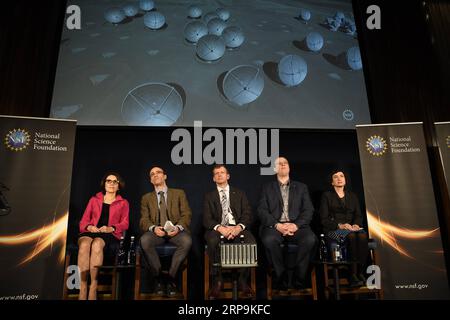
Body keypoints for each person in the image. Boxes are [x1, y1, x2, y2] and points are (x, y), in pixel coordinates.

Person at [258, 157, 317, 290]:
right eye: (279, 163)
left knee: (310, 239)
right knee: (269, 239)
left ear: (289, 168)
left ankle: (299, 277)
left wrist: (295, 225)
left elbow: (308, 210)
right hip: (275, 226)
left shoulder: (302, 187)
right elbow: (262, 210)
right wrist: (277, 225)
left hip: (297, 225)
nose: (283, 165)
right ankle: (281, 277)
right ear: (275, 169)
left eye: (285, 163)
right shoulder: (267, 187)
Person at [203, 164, 256, 299]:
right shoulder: (209, 196)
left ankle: (243, 280)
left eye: (222, 172)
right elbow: (207, 219)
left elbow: (247, 214)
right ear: (213, 178)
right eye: (216, 173)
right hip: (219, 228)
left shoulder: (240, 193)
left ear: (228, 176)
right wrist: (221, 228)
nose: (219, 175)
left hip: (237, 227)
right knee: (212, 240)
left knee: (250, 242)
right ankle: (218, 281)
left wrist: (238, 228)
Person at [139, 166, 192, 297]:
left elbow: (186, 214)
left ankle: (170, 278)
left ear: (165, 176)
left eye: (158, 172)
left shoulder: (179, 193)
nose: (155, 175)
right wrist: (153, 228)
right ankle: (158, 277)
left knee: (187, 241)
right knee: (144, 240)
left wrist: (178, 227)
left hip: (175, 231)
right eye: (152, 174)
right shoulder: (146, 198)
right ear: (151, 180)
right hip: (157, 232)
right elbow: (144, 220)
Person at [78, 172, 129, 300]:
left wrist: (111, 228)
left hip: (109, 234)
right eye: (108, 181)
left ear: (119, 186)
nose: (111, 183)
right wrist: (89, 227)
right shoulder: (94, 199)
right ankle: (83, 287)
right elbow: (83, 221)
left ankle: (93, 286)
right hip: (91, 231)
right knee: (84, 244)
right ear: (104, 184)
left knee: (97, 244)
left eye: (115, 181)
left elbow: (125, 223)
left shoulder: (123, 203)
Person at [319, 169, 369, 287]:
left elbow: (358, 215)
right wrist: (340, 225)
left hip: (351, 229)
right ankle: (352, 275)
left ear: (345, 180)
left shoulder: (352, 196)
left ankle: (360, 272)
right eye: (336, 177)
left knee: (362, 234)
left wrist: (356, 225)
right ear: (332, 182)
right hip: (333, 231)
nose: (339, 178)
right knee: (351, 235)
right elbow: (324, 219)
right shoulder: (326, 196)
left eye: (341, 176)